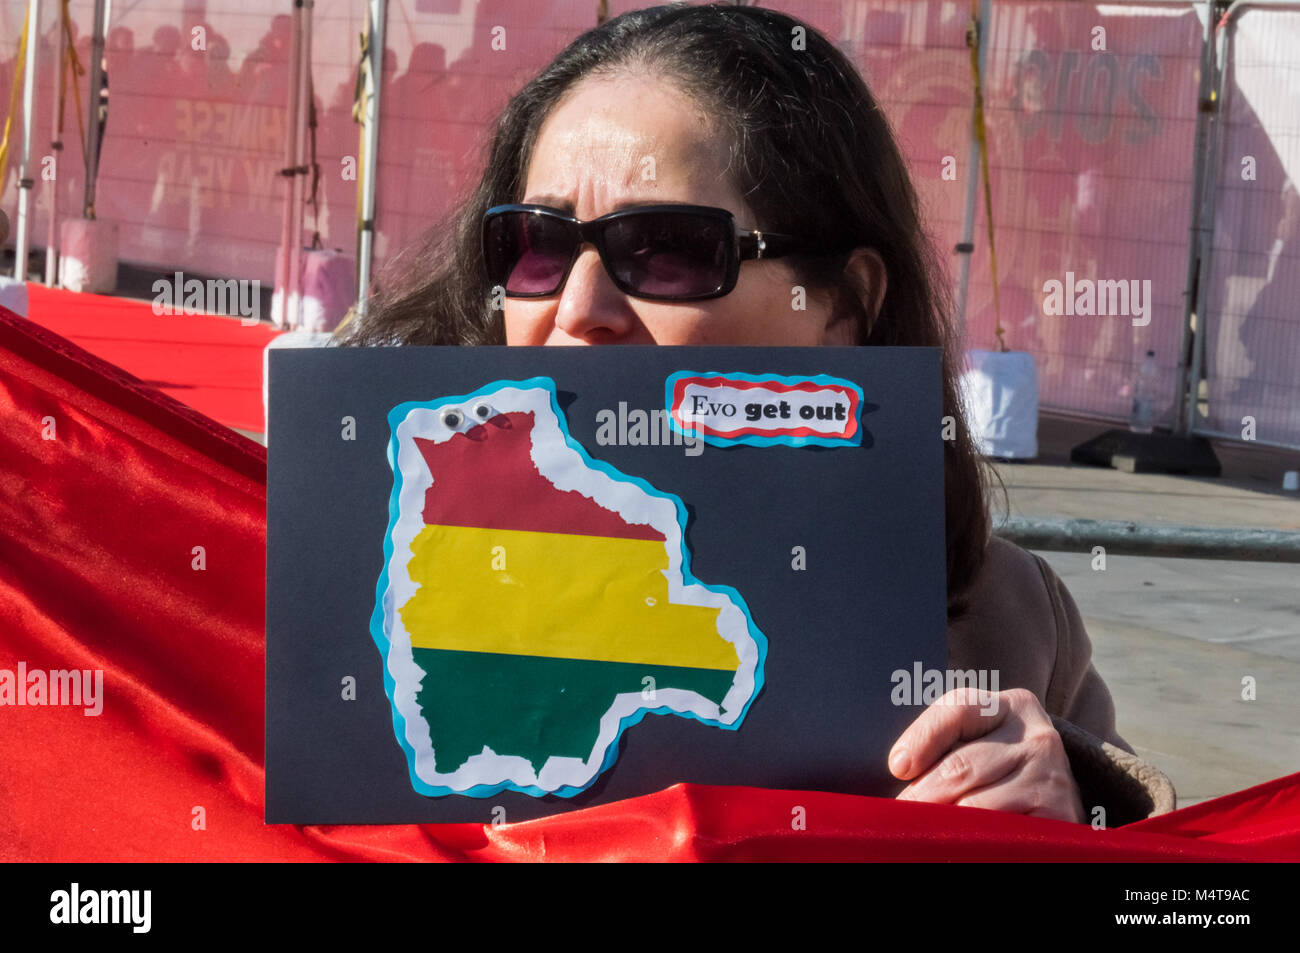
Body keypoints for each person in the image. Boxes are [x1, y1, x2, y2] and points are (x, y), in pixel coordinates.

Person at [342, 2, 1175, 825]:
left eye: (665, 247)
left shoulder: (1008, 620)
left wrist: (1080, 808)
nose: (580, 305)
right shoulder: (359, 570)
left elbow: (1181, 900)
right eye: (537, 244)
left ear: (842, 304)